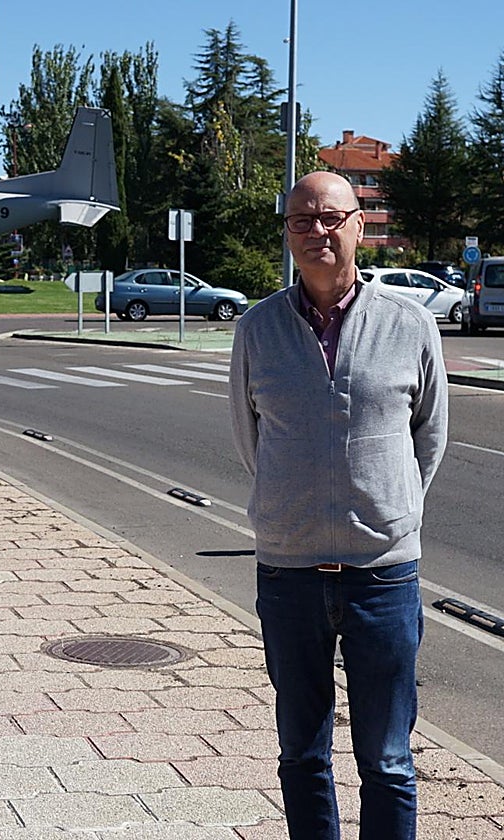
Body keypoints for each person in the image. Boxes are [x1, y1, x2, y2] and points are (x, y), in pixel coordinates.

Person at [228, 170, 448, 839]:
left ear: (358, 225)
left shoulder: (408, 324)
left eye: (330, 217)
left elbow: (430, 436)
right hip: (288, 577)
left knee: (387, 759)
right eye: (301, 219)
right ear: (288, 232)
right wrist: (289, 512)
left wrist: (389, 509)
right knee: (301, 754)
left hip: (383, 576)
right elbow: (250, 439)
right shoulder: (258, 328)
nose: (316, 231)